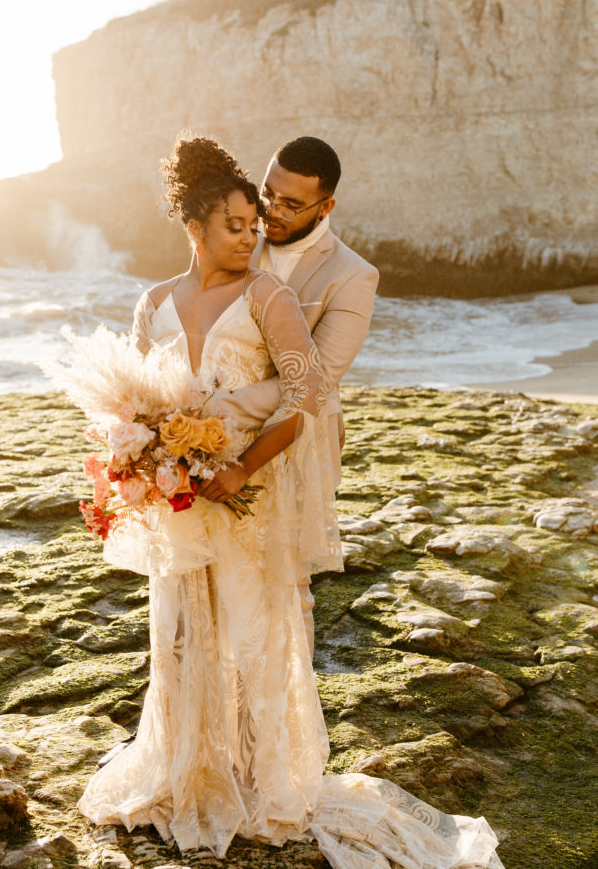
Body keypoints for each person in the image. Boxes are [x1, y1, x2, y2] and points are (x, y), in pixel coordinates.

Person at [77, 135, 504, 868]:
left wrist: (228, 453)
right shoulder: (154, 300)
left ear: (323, 206)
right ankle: (187, 769)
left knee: (258, 628)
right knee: (180, 634)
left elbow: (310, 387)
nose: (260, 226)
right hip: (181, 497)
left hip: (256, 482)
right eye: (244, 218)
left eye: (269, 214)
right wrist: (140, 459)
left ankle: (263, 778)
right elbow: (132, 399)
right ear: (195, 227)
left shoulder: (298, 286)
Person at [204, 136, 379, 654]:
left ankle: (288, 720)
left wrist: (220, 413)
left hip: (294, 442)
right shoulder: (234, 238)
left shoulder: (351, 275)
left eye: (291, 204)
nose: (272, 212)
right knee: (214, 574)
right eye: (268, 195)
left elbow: (315, 380)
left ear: (325, 207)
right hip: (212, 442)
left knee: (284, 588)